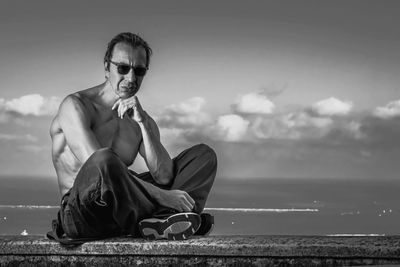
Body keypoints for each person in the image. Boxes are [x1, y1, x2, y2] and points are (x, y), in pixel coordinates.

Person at [47, 32, 217, 245]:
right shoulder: (75, 106)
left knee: (203, 156)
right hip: (84, 211)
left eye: (139, 70)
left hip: (124, 207)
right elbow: (97, 169)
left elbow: (164, 176)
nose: (131, 78)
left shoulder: (138, 119)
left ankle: (164, 221)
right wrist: (162, 196)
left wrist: (143, 122)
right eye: (123, 68)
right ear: (106, 67)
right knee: (104, 160)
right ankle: (165, 216)